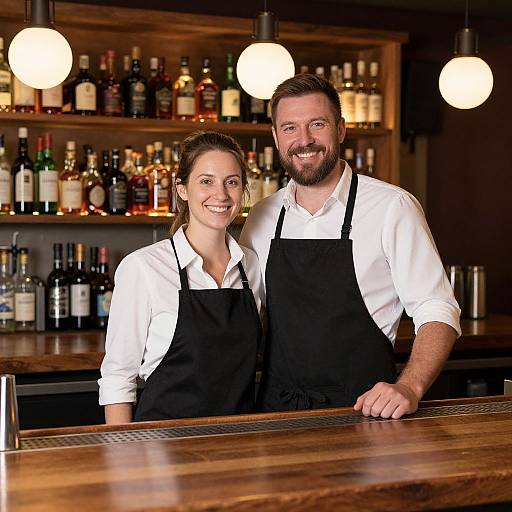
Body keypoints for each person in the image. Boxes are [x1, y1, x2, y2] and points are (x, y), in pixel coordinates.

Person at [240, 74, 461, 420]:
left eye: (317, 124)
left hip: (367, 413)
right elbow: (246, 312)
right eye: (289, 128)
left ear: (340, 129)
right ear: (275, 137)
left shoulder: (392, 207)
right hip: (277, 415)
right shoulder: (261, 216)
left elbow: (437, 309)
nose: (304, 140)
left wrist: (409, 387)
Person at [99, 131, 263, 424]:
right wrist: (121, 456)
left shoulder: (251, 266)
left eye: (232, 182)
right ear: (182, 189)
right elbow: (117, 378)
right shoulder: (144, 268)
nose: (221, 195)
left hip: (239, 445)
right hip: (163, 448)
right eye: (206, 181)